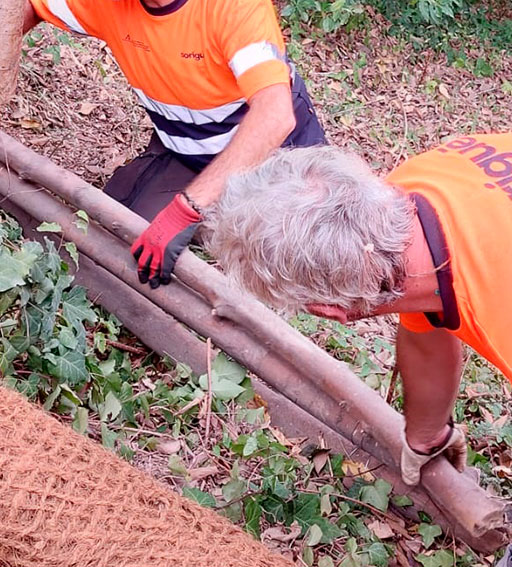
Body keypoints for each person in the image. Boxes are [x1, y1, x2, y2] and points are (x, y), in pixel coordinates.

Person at [0, 0, 326, 287]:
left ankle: (213, 216)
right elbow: (28, 3)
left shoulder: (233, 8)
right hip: (186, 151)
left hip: (276, 163)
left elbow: (274, 116)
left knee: (280, 265)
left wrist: (187, 210)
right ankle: (201, 209)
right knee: (115, 240)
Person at [207, 135, 512, 485]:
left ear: (329, 311)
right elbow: (426, 333)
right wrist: (427, 438)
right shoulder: (417, 186)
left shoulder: (502, 310)